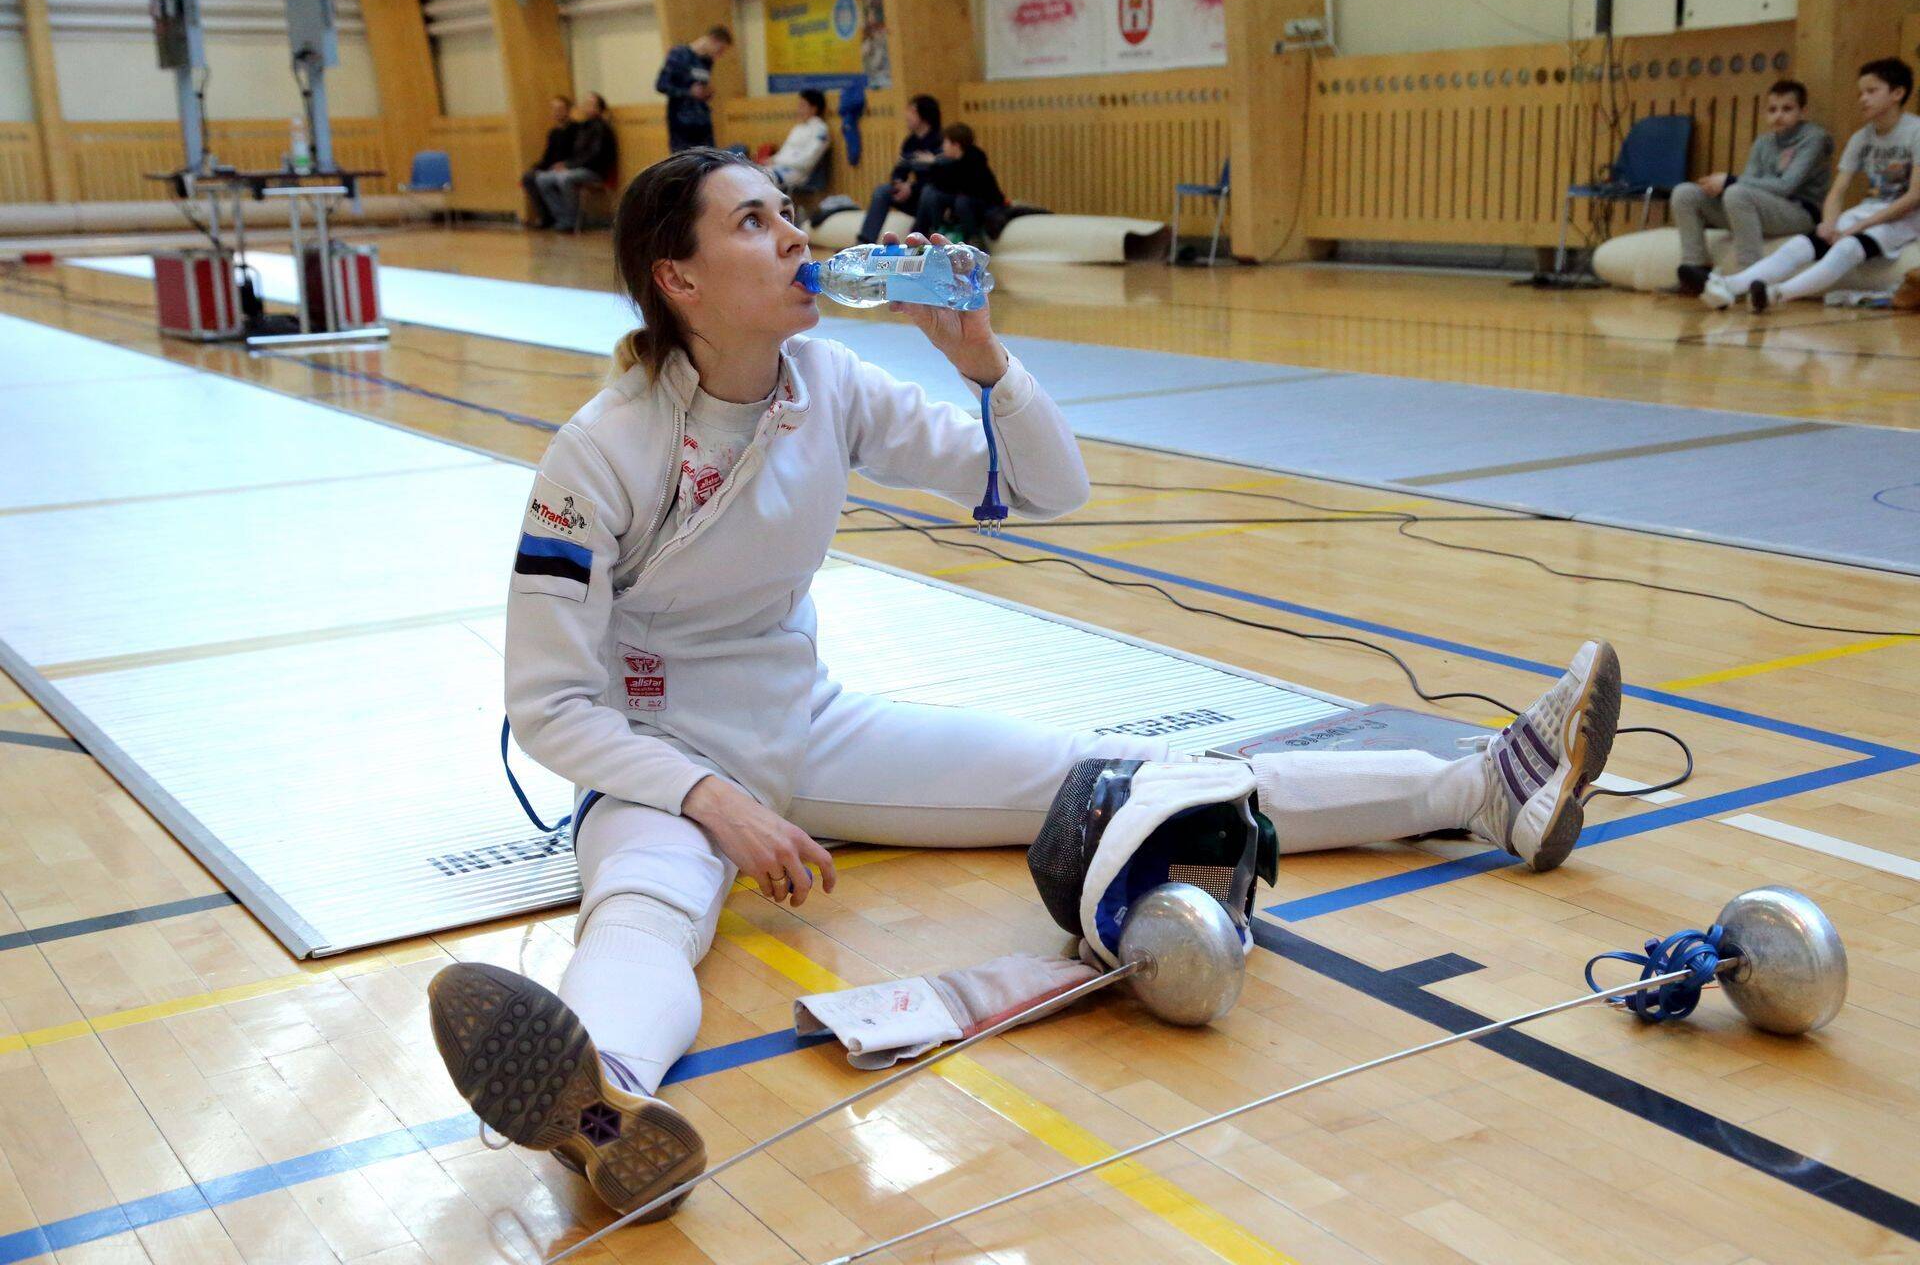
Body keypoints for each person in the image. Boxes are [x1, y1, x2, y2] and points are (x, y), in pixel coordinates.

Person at [425, 146, 1621, 1221]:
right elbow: (550, 704)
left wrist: (981, 354)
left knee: (1121, 783)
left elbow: (1050, 488)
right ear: (677, 280)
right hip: (662, 761)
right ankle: (604, 1105)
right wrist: (710, 799)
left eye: (788, 211)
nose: (795, 234)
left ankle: (1477, 786)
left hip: (811, 727)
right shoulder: (601, 447)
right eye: (752, 222)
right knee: (647, 911)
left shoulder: (830, 383)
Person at [1704, 58, 1920, 311]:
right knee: (1802, 243)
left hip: (1907, 215)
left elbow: (1914, 196)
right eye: (1861, 92)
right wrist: (1829, 223)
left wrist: (1860, 226)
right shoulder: (1861, 138)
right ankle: (1729, 285)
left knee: (1848, 246)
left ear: (1897, 93)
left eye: (1872, 91)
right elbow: (1837, 190)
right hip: (1870, 208)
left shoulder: (1915, 131)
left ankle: (1777, 294)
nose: (1863, 99)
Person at [1669, 80, 1832, 293]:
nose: (1778, 116)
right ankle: (1695, 270)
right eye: (1772, 109)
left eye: (1787, 109)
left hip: (1799, 212)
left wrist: (1728, 181)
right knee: (1684, 193)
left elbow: (1786, 186)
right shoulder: (1763, 142)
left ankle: (1749, 275)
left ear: (1803, 112)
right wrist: (1721, 187)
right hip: (1761, 208)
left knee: (1736, 192)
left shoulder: (1814, 138)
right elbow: (1749, 184)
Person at [856, 92, 943, 243]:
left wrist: (912, 187)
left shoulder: (941, 141)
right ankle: (864, 242)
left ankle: (921, 238)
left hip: (933, 199)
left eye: (912, 111)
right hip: (913, 196)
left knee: (928, 192)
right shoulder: (910, 142)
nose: (906, 116)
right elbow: (899, 171)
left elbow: (942, 179)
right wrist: (899, 184)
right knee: (882, 191)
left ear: (924, 115)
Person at [532, 93, 617, 233]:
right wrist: (565, 164)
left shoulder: (602, 128)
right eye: (586, 104)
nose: (586, 107)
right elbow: (575, 153)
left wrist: (569, 166)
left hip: (594, 170)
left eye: (591, 104)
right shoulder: (583, 127)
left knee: (564, 178)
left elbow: (594, 156)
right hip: (578, 167)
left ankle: (571, 220)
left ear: (599, 109)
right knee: (542, 178)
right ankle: (562, 217)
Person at [914, 121, 1006, 245]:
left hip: (984, 203)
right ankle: (929, 233)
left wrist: (936, 164)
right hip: (961, 199)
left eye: (945, 143)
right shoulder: (950, 161)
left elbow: (968, 188)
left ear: (956, 145)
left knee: (962, 202)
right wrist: (935, 164)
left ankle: (974, 240)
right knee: (929, 192)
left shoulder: (975, 159)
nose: (943, 147)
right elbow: (941, 185)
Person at [656, 26, 732, 153]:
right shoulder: (679, 55)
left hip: (702, 122)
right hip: (682, 123)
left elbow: (700, 89)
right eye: (720, 50)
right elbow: (661, 85)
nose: (719, 55)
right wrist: (688, 92)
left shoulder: (707, 62)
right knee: (684, 166)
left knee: (709, 162)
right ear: (712, 40)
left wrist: (707, 93)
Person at [521, 95, 579, 230]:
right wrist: (538, 167)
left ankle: (566, 219)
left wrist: (566, 164)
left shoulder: (577, 129)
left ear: (568, 110)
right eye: (554, 109)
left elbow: (578, 153)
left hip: (568, 166)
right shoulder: (553, 132)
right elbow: (548, 157)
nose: (557, 112)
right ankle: (546, 216)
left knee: (548, 179)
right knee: (529, 177)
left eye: (560, 109)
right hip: (553, 167)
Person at [766, 89, 831, 190]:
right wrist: (772, 159)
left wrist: (778, 160)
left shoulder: (820, 130)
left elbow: (807, 161)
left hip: (797, 172)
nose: (799, 109)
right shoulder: (798, 128)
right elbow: (785, 152)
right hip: (779, 167)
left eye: (802, 106)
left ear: (814, 109)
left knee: (764, 179)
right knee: (752, 176)